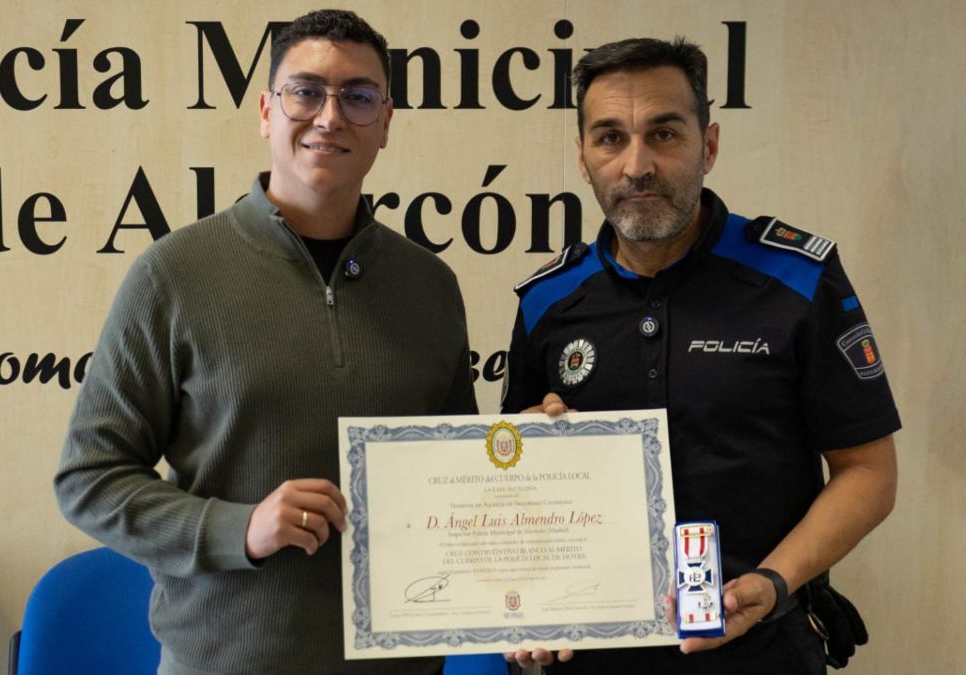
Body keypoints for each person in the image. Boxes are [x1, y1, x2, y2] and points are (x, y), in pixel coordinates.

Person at [54, 10, 476, 675]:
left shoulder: (431, 287)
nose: (330, 116)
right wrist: (237, 528)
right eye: (306, 91)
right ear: (265, 112)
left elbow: (454, 486)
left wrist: (523, 459)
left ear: (386, 121)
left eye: (358, 96)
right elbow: (89, 479)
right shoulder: (173, 275)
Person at [502, 37, 898, 674]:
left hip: (762, 645)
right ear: (582, 158)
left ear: (708, 145)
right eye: (609, 138)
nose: (637, 166)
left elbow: (869, 473)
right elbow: (514, 493)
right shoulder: (546, 300)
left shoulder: (798, 279)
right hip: (592, 658)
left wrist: (772, 584)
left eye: (664, 133)